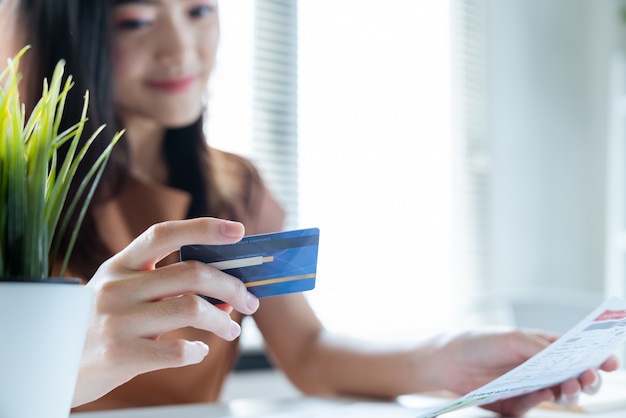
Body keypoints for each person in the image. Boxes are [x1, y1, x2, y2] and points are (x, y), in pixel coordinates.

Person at [0, 0, 618, 415]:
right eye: (136, 20)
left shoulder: (233, 185)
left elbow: (308, 354)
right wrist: (56, 365)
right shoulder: (14, 190)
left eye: (199, 10)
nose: (181, 48)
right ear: (68, 31)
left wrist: (449, 360)